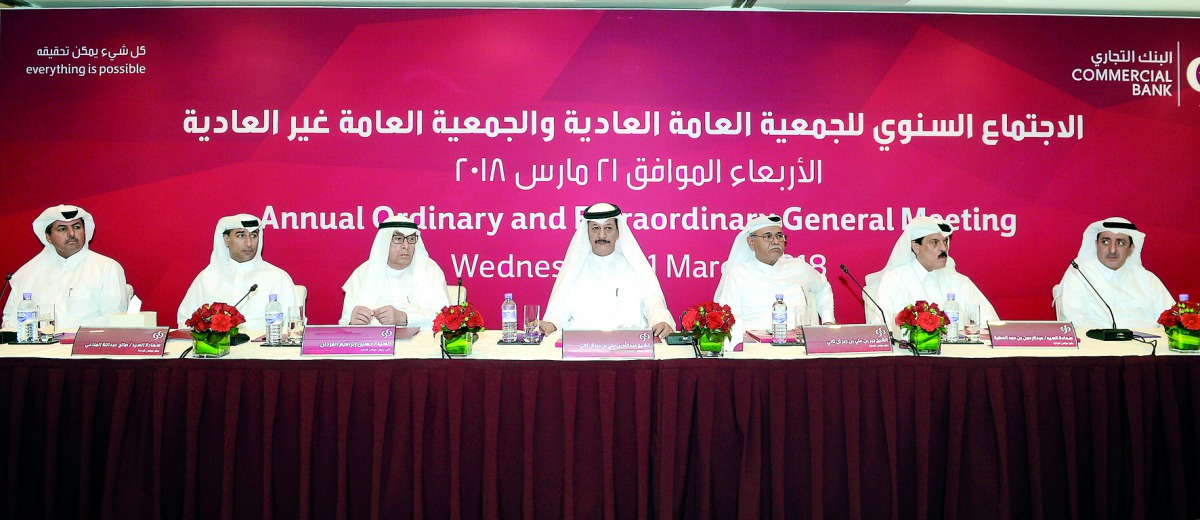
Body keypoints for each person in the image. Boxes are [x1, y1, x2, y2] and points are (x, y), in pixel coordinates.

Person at [541, 202, 675, 338]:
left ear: (618, 233)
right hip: (584, 346)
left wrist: (659, 321)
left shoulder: (634, 268)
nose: (601, 235)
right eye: (595, 228)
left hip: (630, 346)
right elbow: (559, 313)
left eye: (608, 228)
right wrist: (550, 324)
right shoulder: (576, 271)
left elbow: (652, 301)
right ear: (587, 233)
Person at [2, 204, 128, 331]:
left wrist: (69, 335)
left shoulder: (106, 268)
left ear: (84, 231)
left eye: (77, 227)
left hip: (85, 342)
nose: (71, 233)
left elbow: (114, 318)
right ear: (48, 237)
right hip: (36, 343)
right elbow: (9, 320)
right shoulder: (28, 273)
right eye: (62, 229)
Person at [713, 214, 834, 340]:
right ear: (751, 242)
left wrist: (828, 321)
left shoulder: (799, 267)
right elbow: (730, 317)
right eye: (768, 236)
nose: (776, 241)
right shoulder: (738, 274)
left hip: (801, 345)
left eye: (779, 236)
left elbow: (823, 288)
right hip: (755, 347)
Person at [870, 216, 998, 328]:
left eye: (945, 241)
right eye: (934, 243)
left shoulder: (958, 281)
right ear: (916, 247)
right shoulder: (895, 279)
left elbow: (990, 322)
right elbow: (880, 328)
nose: (943, 248)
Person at [177, 214, 298, 332]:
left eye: (253, 235)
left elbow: (294, 325)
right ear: (226, 239)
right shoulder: (207, 278)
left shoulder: (277, 277)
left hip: (265, 344)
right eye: (241, 235)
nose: (249, 243)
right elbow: (185, 321)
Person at [1053, 217, 1173, 331]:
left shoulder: (1148, 279)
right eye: (1105, 242)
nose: (1112, 250)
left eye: (1120, 243)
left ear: (1131, 248)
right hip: (1095, 343)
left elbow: (1171, 318)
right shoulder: (1078, 274)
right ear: (1096, 245)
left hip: (1147, 343)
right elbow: (1072, 321)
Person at [339, 214, 450, 327]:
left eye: (411, 239)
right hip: (373, 338)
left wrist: (405, 318)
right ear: (385, 242)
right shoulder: (362, 273)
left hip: (421, 338)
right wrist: (352, 323)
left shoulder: (430, 270)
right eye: (398, 239)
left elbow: (446, 318)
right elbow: (344, 323)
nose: (406, 246)